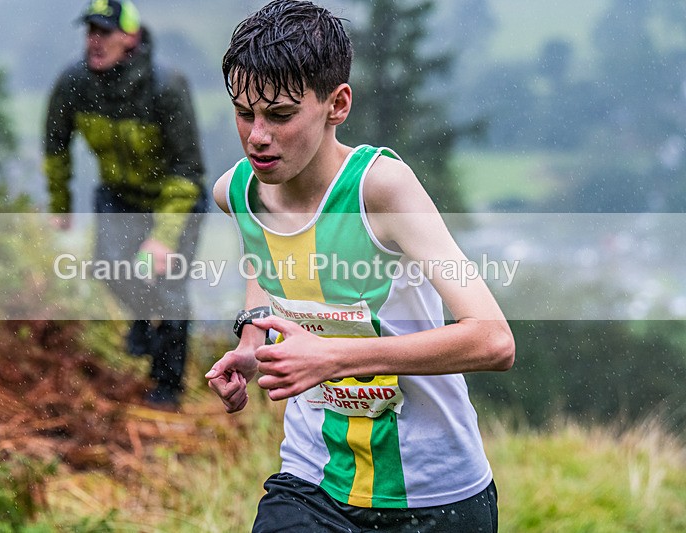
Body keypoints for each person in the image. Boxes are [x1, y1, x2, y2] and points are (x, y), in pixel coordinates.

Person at [205, 1, 515, 531]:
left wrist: (333, 359)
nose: (257, 135)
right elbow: (265, 265)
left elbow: (493, 341)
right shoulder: (236, 194)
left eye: (280, 115)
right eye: (243, 112)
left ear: (337, 104)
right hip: (312, 478)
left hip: (434, 493)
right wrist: (253, 345)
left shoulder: (382, 187)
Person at [44, 0, 206, 411]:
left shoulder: (166, 86)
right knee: (111, 269)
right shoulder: (74, 83)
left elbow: (188, 170)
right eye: (90, 31)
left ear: (130, 37)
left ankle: (167, 387)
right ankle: (143, 323)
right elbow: (56, 146)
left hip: (175, 200)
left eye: (105, 32)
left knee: (169, 288)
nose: (94, 41)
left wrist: (163, 238)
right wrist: (60, 204)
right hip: (119, 196)